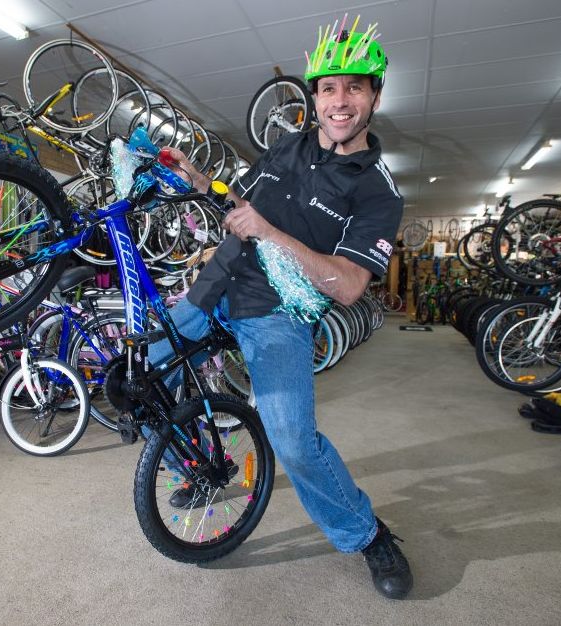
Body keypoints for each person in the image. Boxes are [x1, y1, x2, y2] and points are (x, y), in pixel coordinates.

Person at [147, 20, 413, 599]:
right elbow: (240, 204)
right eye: (327, 89)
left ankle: (365, 533)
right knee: (143, 374)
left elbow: (346, 287)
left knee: (292, 442)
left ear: (375, 95)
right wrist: (195, 177)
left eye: (353, 88)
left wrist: (268, 233)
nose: (338, 101)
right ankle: (201, 467)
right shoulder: (287, 145)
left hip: (278, 317)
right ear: (313, 96)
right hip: (213, 287)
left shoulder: (379, 192)